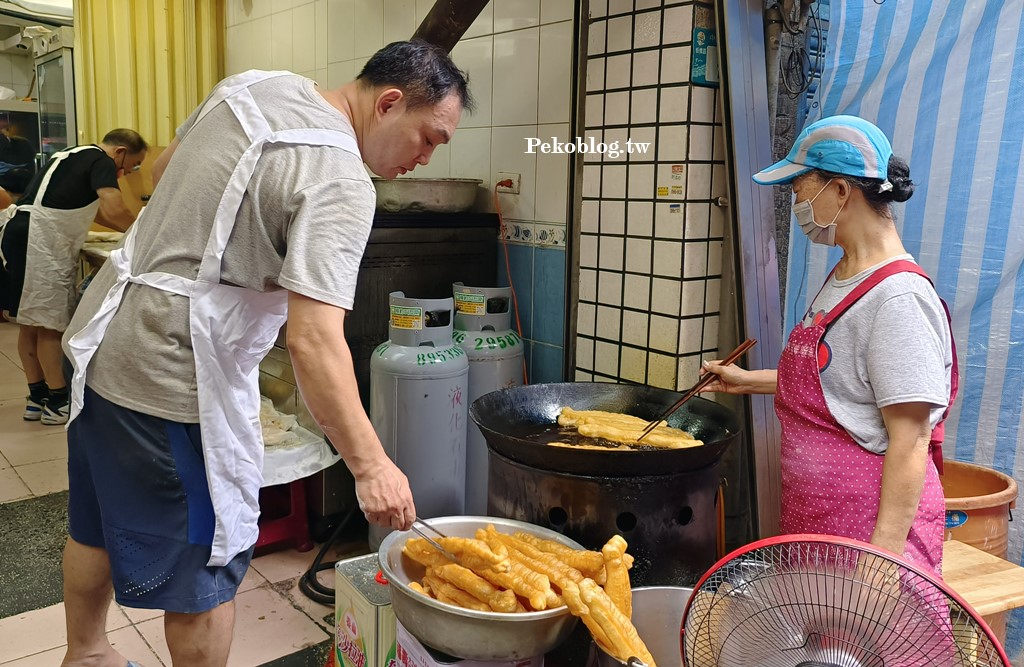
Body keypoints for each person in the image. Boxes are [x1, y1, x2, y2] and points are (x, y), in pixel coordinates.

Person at [60, 40, 471, 667]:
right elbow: (314, 340)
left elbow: (167, 175)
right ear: (389, 103)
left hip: (104, 342)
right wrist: (370, 466)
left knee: (93, 518)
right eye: (430, 137)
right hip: (173, 377)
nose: (426, 156)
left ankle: (86, 653)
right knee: (209, 566)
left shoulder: (253, 86)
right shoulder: (340, 178)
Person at [700, 115, 956, 575]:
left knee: (860, 647)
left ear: (840, 191)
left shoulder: (899, 299)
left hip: (866, 536)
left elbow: (912, 437)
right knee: (819, 648)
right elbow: (837, 384)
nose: (796, 203)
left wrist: (882, 564)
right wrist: (743, 380)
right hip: (819, 523)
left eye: (800, 190)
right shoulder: (844, 274)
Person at [0, 129, 145, 425]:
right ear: (120, 152)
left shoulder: (70, 154)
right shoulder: (102, 161)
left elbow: (95, 212)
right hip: (40, 244)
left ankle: (37, 398)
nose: (128, 172)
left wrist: (124, 228)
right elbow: (112, 206)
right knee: (50, 327)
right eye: (132, 165)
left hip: (17, 235)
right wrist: (145, 234)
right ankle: (58, 402)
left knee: (30, 324)